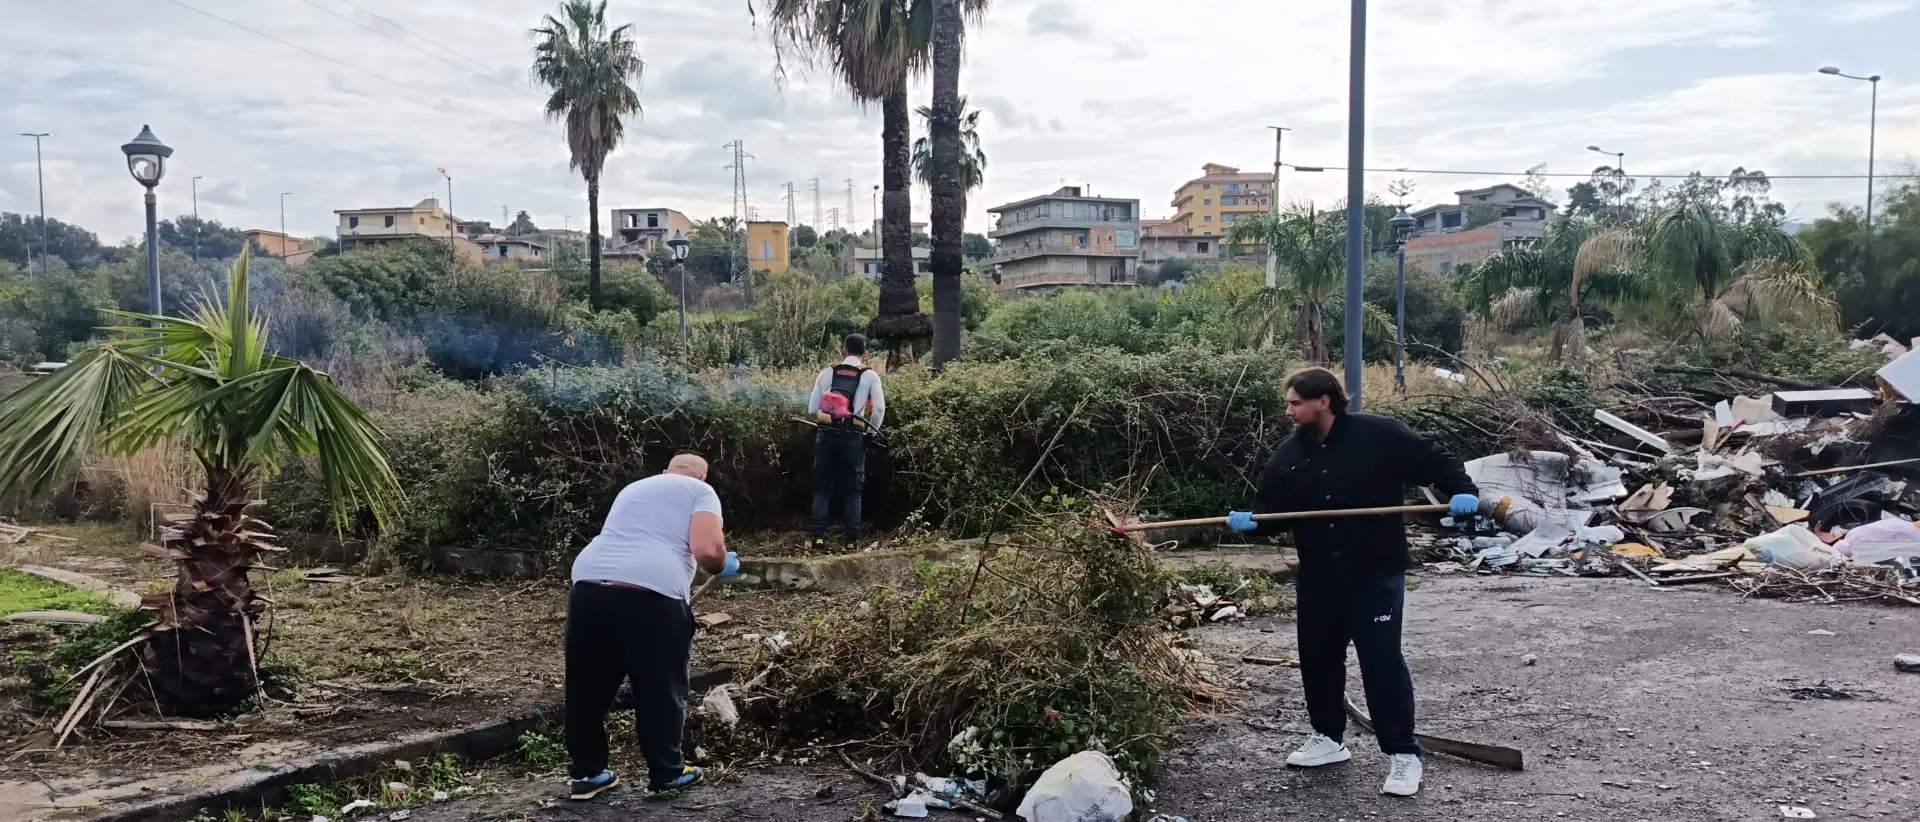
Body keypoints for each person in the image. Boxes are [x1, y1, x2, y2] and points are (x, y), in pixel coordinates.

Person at [1224, 367, 1478, 798]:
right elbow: (1271, 513)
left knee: (1380, 661)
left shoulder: (1379, 436)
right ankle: (1328, 738)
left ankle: (1403, 754)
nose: (1289, 411)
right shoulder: (1288, 457)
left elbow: (1434, 460)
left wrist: (1462, 489)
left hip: (1375, 572)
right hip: (1320, 577)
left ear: (1323, 400)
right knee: (1318, 659)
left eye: (1294, 402)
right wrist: (1251, 523)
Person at [564, 453, 740, 801]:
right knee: (660, 686)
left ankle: (587, 774)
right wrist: (721, 563)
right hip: (652, 594)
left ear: (665, 471)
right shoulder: (699, 492)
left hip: (588, 586)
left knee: (586, 688)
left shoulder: (634, 488)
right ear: (702, 478)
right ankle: (667, 774)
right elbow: (706, 549)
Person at [806, 333, 885, 549]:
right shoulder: (870, 376)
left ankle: (818, 538)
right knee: (852, 492)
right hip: (853, 438)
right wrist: (872, 434)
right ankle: (851, 541)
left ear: (843, 350)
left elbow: (813, 409)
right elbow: (878, 409)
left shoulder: (826, 373)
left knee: (822, 489)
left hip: (826, 435)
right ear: (864, 353)